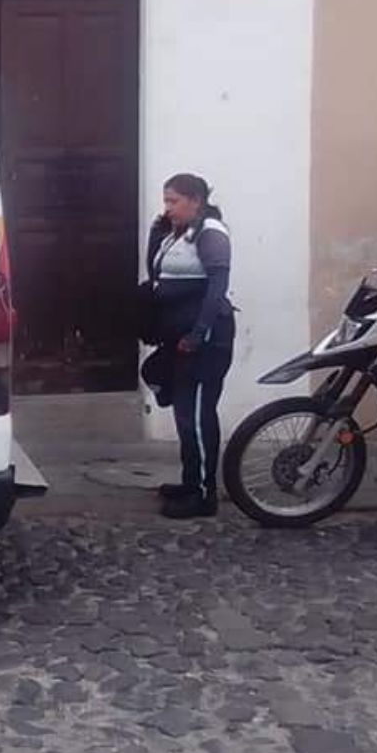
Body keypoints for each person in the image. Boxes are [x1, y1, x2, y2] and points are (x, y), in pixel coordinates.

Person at [140, 173, 237, 519]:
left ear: (195, 200)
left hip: (204, 342)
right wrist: (157, 232)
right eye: (165, 201)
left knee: (196, 416)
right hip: (177, 338)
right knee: (184, 413)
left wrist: (199, 334)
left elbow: (217, 288)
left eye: (173, 201)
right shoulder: (177, 234)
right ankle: (189, 480)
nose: (167, 208)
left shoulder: (211, 233)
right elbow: (156, 274)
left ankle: (203, 495)